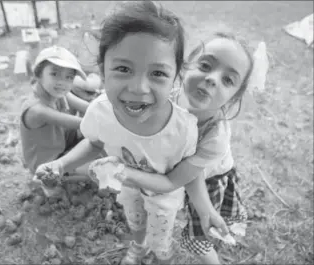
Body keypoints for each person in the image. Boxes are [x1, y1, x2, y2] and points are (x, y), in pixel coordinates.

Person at [35, 1, 198, 264]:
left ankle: (161, 255)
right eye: (123, 69)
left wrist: (125, 172)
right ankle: (138, 246)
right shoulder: (100, 112)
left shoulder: (183, 130)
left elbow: (177, 180)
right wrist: (61, 163)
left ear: (176, 78)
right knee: (135, 221)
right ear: (101, 71)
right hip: (129, 190)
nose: (139, 87)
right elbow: (94, 143)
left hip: (163, 200)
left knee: (161, 238)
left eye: (157, 73)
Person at [102, 31, 260, 264]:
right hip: (173, 171)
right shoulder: (166, 97)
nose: (212, 79)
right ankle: (140, 246)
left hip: (207, 179)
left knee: (197, 240)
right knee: (142, 213)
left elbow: (182, 178)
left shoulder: (214, 137)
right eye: (205, 65)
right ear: (184, 67)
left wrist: (206, 211)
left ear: (234, 98)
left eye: (228, 80)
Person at [20, 45, 90, 174]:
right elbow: (82, 123)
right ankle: (49, 183)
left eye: (69, 77)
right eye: (54, 74)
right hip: (47, 161)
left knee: (94, 141)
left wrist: (106, 109)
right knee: (96, 167)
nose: (62, 82)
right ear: (38, 75)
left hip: (61, 141)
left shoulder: (58, 92)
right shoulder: (37, 110)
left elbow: (88, 107)